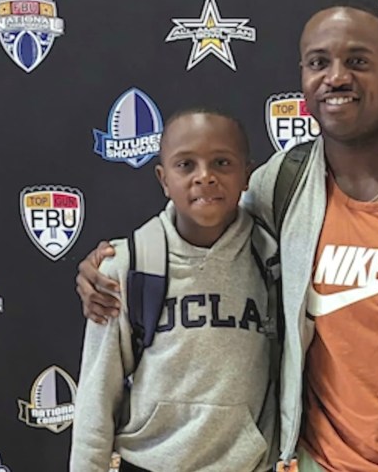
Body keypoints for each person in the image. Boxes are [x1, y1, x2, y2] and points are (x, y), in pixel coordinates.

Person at [77, 0, 378, 472]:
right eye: (319, 62)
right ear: (303, 77)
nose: (337, 77)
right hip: (315, 462)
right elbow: (201, 220)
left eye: (358, 61)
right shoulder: (280, 183)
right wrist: (114, 264)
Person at [70, 109, 278, 472]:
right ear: (163, 179)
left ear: (247, 175)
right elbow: (96, 395)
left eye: (221, 162)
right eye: (186, 165)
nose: (205, 177)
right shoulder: (127, 264)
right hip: (149, 462)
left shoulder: (272, 260)